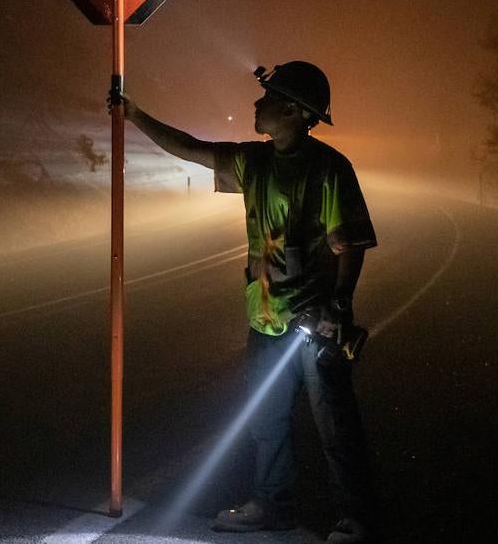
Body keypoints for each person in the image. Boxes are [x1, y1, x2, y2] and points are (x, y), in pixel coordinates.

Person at [113, 61, 379, 544]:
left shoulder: (329, 169)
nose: (257, 104)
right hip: (265, 315)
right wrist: (135, 115)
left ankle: (355, 518)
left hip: (312, 324)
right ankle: (273, 506)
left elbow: (350, 245)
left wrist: (337, 306)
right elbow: (193, 149)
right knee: (266, 420)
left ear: (295, 112)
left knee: (335, 426)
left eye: (269, 97)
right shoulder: (253, 162)